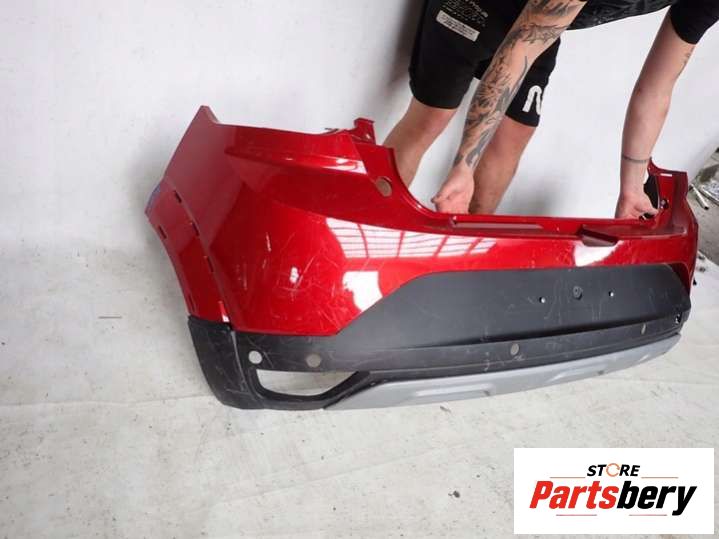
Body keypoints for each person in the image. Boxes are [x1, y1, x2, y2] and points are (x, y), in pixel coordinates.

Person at [384, 0, 719, 218]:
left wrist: (632, 187)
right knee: (431, 118)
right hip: (483, 5)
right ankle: (369, 227)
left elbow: (657, 89)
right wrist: (463, 165)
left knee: (514, 135)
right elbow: (517, 51)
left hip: (540, 20)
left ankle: (464, 254)